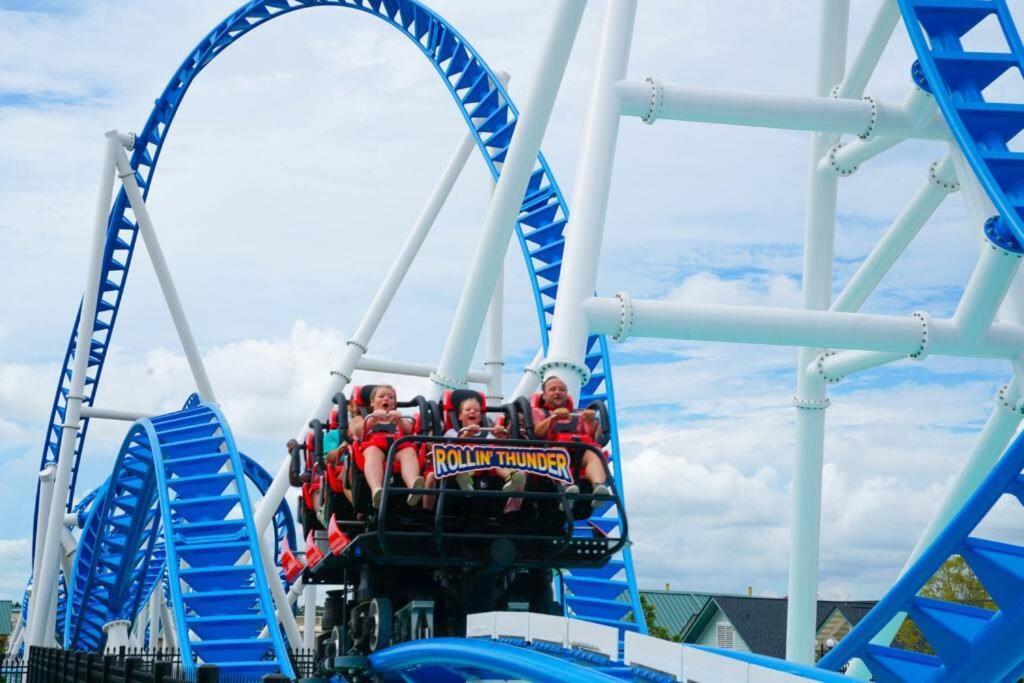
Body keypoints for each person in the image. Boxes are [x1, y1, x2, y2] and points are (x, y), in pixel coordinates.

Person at [531, 376, 610, 506]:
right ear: (544, 395)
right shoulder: (537, 412)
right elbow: (537, 433)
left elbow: (592, 438)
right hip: (550, 453)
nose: (558, 392)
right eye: (553, 389)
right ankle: (566, 487)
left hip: (579, 453)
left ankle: (598, 488)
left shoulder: (578, 413)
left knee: (593, 453)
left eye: (562, 390)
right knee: (559, 451)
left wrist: (591, 422)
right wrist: (554, 418)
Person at [349, 384, 425, 508]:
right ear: (372, 402)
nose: (386, 399)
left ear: (394, 403)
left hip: (397, 449)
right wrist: (372, 419)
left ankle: (413, 487)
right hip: (374, 449)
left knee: (409, 452)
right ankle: (377, 490)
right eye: (381, 396)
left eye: (391, 397)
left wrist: (399, 420)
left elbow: (408, 431)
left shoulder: (399, 418)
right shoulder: (362, 418)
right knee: (372, 452)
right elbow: (356, 431)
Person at [434, 394, 525, 494]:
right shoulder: (452, 432)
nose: (472, 411)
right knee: (464, 459)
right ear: (459, 416)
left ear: (480, 417)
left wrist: (499, 437)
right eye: (468, 410)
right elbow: (447, 452)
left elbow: (497, 451)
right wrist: (467, 434)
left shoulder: (487, 433)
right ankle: (465, 481)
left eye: (476, 411)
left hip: (485, 465)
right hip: (463, 466)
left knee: (495, 458)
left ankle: (511, 478)